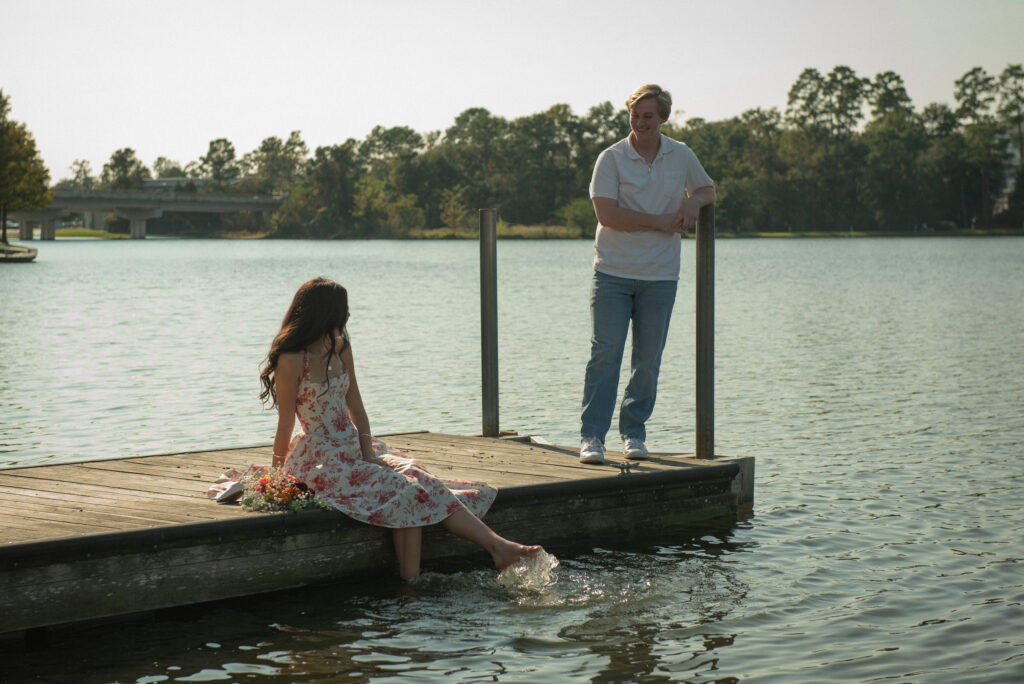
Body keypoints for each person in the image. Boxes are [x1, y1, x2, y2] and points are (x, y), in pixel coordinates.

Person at [259, 277, 541, 579]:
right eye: (344, 311)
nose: (349, 317)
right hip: (319, 458)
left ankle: (494, 551)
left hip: (352, 445)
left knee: (417, 476)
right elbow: (286, 421)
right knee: (404, 490)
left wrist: (367, 453)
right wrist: (277, 477)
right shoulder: (291, 360)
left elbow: (357, 407)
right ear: (325, 314)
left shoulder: (341, 349)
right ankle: (418, 581)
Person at [579, 84, 716, 465]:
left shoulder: (681, 155)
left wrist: (692, 202)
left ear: (664, 118)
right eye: (635, 116)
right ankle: (592, 437)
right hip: (612, 273)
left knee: (648, 359)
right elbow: (607, 214)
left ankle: (633, 434)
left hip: (661, 275)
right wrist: (659, 222)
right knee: (605, 354)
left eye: (648, 117)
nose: (640, 123)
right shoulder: (611, 158)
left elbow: (708, 190)